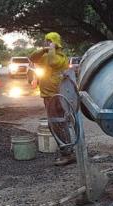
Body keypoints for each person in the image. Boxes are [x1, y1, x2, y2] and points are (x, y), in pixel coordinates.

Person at [29, 32, 73, 166]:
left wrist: (52, 48)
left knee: (57, 123)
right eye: (46, 41)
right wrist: (44, 50)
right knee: (56, 123)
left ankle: (67, 154)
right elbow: (32, 57)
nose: (46, 43)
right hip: (48, 95)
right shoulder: (46, 56)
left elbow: (53, 63)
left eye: (48, 41)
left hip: (57, 95)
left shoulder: (61, 58)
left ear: (54, 43)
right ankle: (67, 150)